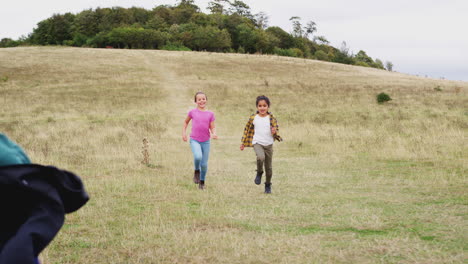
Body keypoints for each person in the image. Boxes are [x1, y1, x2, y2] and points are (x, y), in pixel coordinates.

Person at [240, 95, 282, 194]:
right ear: (257, 107)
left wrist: (274, 132)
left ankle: (268, 185)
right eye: (260, 106)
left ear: (268, 107)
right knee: (260, 157)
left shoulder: (271, 118)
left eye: (264, 106)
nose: (262, 108)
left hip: (269, 145)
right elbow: (246, 130)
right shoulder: (254, 118)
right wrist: (243, 143)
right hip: (257, 142)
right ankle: (259, 172)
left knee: (269, 169)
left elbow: (276, 131)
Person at [182, 92, 217, 190]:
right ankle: (196, 171)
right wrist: (184, 133)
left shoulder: (210, 114)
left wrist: (214, 133)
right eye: (199, 99)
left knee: (204, 164)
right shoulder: (192, 112)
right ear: (196, 101)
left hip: (206, 141)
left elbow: (212, 127)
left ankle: (202, 182)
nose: (202, 101)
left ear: (206, 100)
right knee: (198, 156)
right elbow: (185, 122)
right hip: (194, 140)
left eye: (203, 99)